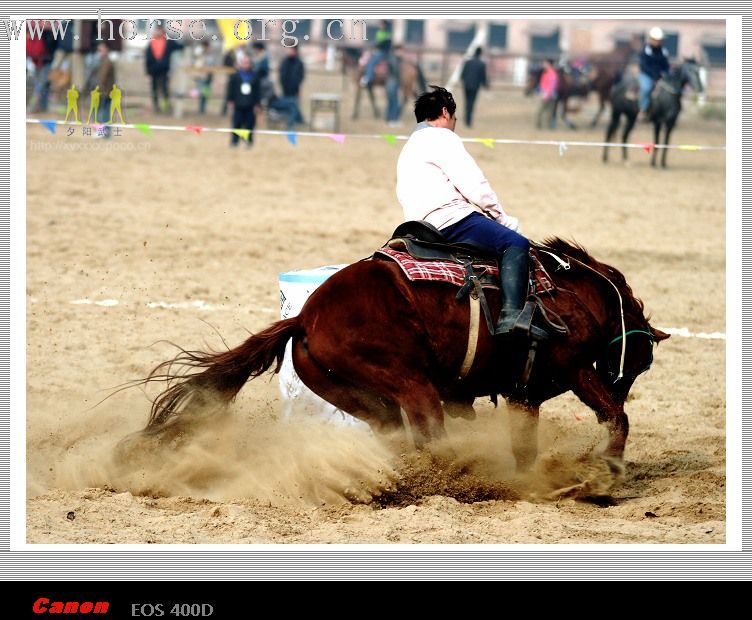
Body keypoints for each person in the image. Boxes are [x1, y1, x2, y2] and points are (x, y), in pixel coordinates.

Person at [396, 86, 548, 341]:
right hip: (451, 220)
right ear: (445, 112)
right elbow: (475, 186)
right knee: (515, 242)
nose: (454, 124)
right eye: (454, 118)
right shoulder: (442, 138)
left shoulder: (409, 146)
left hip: (417, 224)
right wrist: (503, 219)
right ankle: (511, 315)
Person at [144, 25, 184, 113]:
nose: (158, 33)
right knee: (154, 89)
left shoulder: (168, 42)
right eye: (157, 31)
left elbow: (180, 46)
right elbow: (147, 59)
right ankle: (156, 106)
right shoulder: (151, 43)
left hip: (164, 70)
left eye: (160, 31)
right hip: (153, 70)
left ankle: (166, 106)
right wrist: (147, 73)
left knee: (164, 89)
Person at [226, 53, 262, 148]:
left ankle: (248, 141)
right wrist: (230, 100)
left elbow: (258, 91)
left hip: (250, 105)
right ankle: (234, 142)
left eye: (248, 63)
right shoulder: (235, 76)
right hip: (238, 104)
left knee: (250, 124)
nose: (246, 65)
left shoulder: (255, 77)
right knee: (236, 123)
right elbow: (231, 89)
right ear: (241, 64)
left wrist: (258, 104)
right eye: (244, 63)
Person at [638, 26, 670, 119]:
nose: (658, 42)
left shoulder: (664, 52)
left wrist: (665, 73)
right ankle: (643, 109)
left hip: (660, 76)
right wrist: (653, 75)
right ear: (651, 39)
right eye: (656, 40)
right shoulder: (645, 51)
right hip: (646, 75)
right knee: (646, 88)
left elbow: (666, 66)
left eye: (660, 40)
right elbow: (643, 66)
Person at [459, 47, 488, 128]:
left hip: (466, 85)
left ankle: (466, 119)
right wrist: (485, 85)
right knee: (471, 103)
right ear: (480, 53)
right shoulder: (481, 64)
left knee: (467, 102)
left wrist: (464, 81)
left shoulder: (467, 62)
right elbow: (483, 76)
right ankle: (468, 121)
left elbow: (462, 74)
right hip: (475, 86)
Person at [278, 45, 305, 125]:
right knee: (290, 106)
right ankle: (299, 121)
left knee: (294, 105)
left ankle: (296, 122)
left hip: (294, 89)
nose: (288, 51)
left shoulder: (299, 62)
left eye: (290, 49)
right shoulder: (284, 61)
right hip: (285, 89)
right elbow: (281, 74)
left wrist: (295, 84)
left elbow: (300, 76)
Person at [361, 19, 392, 87]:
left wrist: (376, 47)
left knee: (371, 62)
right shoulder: (379, 32)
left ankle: (369, 78)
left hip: (383, 52)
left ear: (385, 25)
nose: (380, 25)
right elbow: (378, 42)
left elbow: (385, 44)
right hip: (379, 51)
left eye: (382, 24)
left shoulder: (387, 33)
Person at [536, 58, 558, 129]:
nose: (544, 65)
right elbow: (542, 84)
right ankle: (543, 125)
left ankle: (547, 126)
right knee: (545, 111)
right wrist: (540, 92)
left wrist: (546, 95)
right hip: (545, 94)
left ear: (549, 64)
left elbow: (552, 86)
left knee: (547, 111)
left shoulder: (552, 74)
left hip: (549, 96)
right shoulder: (545, 73)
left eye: (545, 63)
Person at [385, 45, 403, 126]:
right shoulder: (394, 60)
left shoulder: (393, 59)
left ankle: (389, 119)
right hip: (392, 83)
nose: (401, 53)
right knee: (394, 102)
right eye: (400, 51)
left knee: (392, 101)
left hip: (391, 83)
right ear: (396, 51)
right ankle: (393, 120)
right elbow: (396, 72)